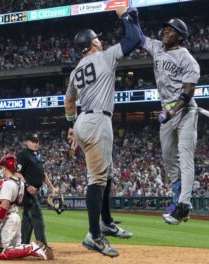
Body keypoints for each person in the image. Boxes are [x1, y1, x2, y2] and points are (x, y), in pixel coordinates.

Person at [65, 6, 142, 258]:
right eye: (96, 37)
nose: (100, 39)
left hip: (84, 121)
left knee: (106, 174)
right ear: (91, 44)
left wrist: (72, 126)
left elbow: (69, 103)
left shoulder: (76, 70)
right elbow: (133, 40)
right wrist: (126, 17)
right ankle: (94, 236)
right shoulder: (105, 57)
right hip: (98, 120)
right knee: (97, 180)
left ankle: (106, 221)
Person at [137, 17, 209, 224]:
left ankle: (183, 206)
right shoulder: (158, 47)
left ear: (180, 36)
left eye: (170, 31)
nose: (165, 33)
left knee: (185, 157)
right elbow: (138, 38)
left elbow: (188, 91)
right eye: (165, 30)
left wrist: (171, 112)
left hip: (185, 111)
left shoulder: (186, 58)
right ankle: (178, 195)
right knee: (168, 157)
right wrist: (130, 18)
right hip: (166, 112)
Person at [0, 154, 50, 260]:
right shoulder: (20, 182)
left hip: (9, 218)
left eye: (2, 167)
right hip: (15, 216)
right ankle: (30, 248)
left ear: (5, 167)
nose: (1, 170)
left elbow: (5, 205)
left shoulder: (7, 184)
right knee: (15, 247)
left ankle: (32, 248)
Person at [17, 133, 57, 254]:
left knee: (28, 219)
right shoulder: (22, 155)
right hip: (26, 191)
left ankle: (23, 245)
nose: (35, 143)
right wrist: (27, 186)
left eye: (37, 141)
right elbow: (17, 173)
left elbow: (42, 174)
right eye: (32, 141)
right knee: (37, 215)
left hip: (35, 192)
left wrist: (52, 187)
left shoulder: (38, 156)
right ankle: (43, 245)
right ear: (27, 142)